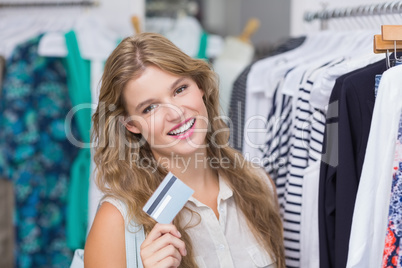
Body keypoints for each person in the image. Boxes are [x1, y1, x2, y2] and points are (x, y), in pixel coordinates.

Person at [84, 32, 285, 268]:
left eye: (179, 90)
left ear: (200, 86)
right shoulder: (115, 222)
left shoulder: (260, 185)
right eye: (150, 107)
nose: (176, 113)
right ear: (132, 125)